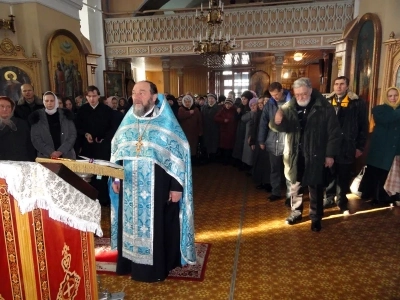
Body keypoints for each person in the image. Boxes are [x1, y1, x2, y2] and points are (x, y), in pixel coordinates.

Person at [109, 80, 196, 282]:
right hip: (129, 186)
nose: (136, 97)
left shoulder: (166, 123)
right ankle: (129, 264)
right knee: (129, 225)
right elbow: (117, 151)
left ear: (154, 97)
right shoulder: (128, 121)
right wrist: (116, 177)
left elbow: (179, 156)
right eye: (133, 93)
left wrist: (176, 188)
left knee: (158, 226)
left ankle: (155, 270)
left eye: (142, 92)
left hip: (158, 188)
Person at [270, 78, 342, 232]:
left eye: (303, 93)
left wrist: (330, 155)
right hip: (295, 154)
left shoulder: (324, 107)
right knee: (295, 185)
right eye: (298, 94)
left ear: (310, 90)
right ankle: (296, 212)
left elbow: (334, 133)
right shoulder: (289, 107)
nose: (301, 97)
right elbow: (280, 128)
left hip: (316, 154)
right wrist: (277, 121)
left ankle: (316, 217)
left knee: (315, 186)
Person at [324, 76, 368, 214]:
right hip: (330, 145)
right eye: (336, 84)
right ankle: (329, 197)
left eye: (342, 84)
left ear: (347, 86)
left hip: (348, 145)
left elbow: (363, 126)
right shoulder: (327, 101)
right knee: (330, 173)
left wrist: (360, 147)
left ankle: (342, 200)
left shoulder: (357, 103)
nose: (338, 87)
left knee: (344, 174)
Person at [359, 87, 400, 205]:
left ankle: (390, 197)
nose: (393, 98)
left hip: (395, 148)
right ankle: (375, 196)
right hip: (380, 148)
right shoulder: (379, 109)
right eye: (390, 96)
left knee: (391, 174)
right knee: (377, 173)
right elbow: (387, 119)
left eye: (395, 95)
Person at [75, 86, 115, 206]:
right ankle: (90, 198)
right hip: (88, 148)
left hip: (102, 147)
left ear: (98, 96)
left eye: (94, 96)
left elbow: (112, 128)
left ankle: (103, 198)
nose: (92, 99)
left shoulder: (107, 110)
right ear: (86, 97)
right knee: (89, 173)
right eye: (89, 96)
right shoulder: (82, 110)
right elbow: (77, 128)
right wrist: (85, 134)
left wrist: (104, 138)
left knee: (102, 173)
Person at [258, 82, 291, 202]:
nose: (275, 97)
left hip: (287, 141)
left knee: (289, 170)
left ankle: (290, 195)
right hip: (272, 141)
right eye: (272, 95)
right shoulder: (270, 104)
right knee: (274, 169)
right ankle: (275, 192)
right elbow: (263, 122)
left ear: (282, 90)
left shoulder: (291, 102)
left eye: (276, 94)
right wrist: (261, 140)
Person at [29, 91, 77, 159]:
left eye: (52, 100)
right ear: (43, 102)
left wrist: (61, 151)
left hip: (66, 154)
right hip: (46, 156)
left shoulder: (66, 115)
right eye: (46, 101)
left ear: (56, 101)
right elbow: (35, 138)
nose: (49, 103)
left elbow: (72, 134)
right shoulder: (37, 117)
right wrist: (50, 152)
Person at [0, 96, 35, 161]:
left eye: (8, 107)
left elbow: (30, 146)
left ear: (12, 109)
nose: (5, 109)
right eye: (1, 106)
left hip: (23, 163)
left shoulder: (22, 123)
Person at [177, 94, 203, 163]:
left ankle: (193, 160)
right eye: (186, 102)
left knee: (194, 146)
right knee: (186, 146)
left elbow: (199, 121)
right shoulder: (181, 109)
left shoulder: (196, 109)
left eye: (189, 102)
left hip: (194, 132)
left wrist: (200, 131)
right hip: (185, 132)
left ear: (191, 102)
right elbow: (180, 116)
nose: (187, 103)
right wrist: (189, 113)